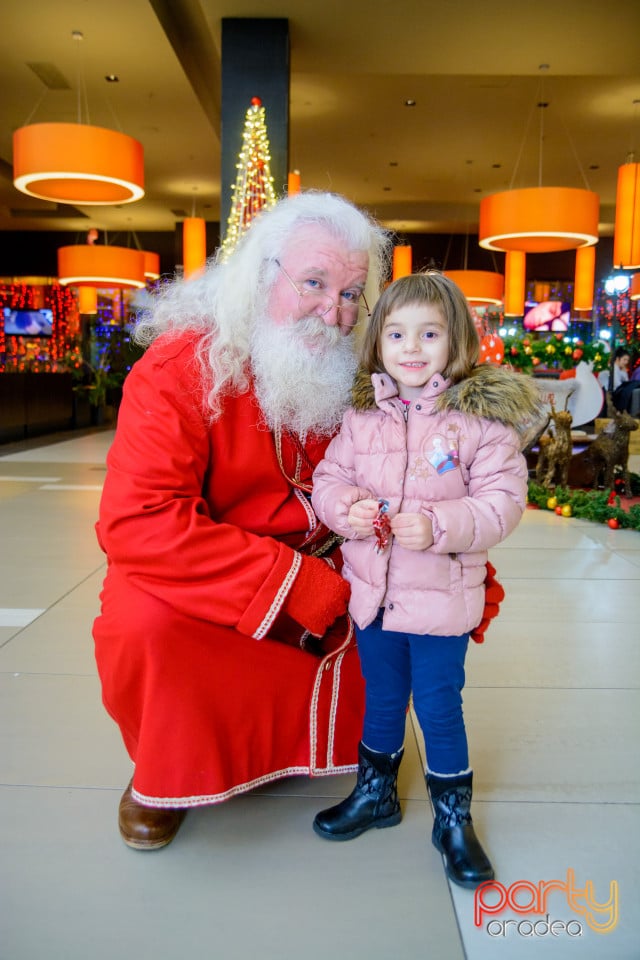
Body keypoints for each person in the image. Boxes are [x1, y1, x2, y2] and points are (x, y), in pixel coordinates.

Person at [92, 191, 393, 850]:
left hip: (327, 549)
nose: (334, 312)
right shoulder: (180, 366)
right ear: (262, 275)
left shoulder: (359, 372)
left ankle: (337, 751)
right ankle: (165, 773)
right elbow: (140, 522)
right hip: (203, 565)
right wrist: (294, 585)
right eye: (314, 284)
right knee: (146, 624)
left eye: (351, 294)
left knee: (413, 601)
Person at [310, 272, 544, 888]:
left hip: (442, 602)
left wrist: (440, 523)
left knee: (439, 707)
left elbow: (503, 504)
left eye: (429, 333)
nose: (411, 348)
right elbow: (329, 479)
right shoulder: (362, 418)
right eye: (396, 333)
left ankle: (452, 820)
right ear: (378, 342)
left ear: (457, 342)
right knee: (381, 697)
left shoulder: (482, 423)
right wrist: (346, 508)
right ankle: (376, 795)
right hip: (375, 596)